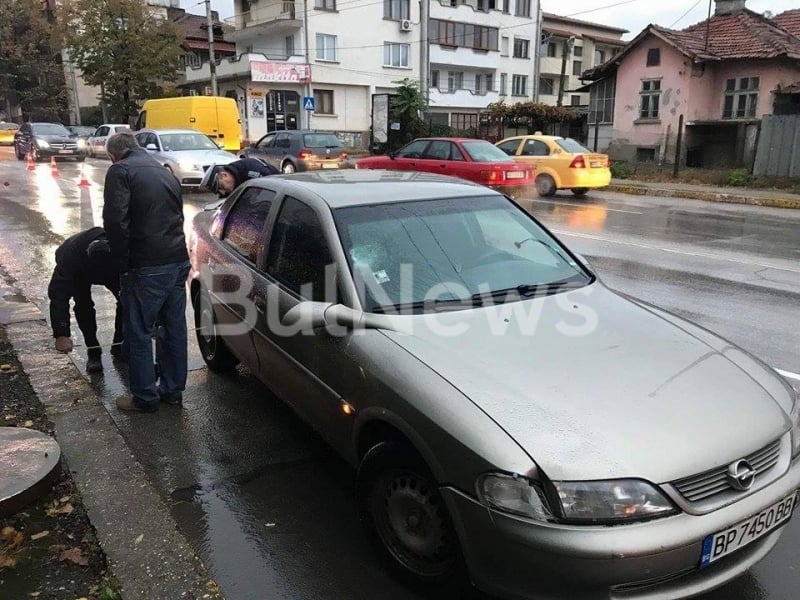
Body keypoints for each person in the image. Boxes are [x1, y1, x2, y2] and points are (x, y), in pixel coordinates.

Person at [103, 132, 190, 413]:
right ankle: (173, 391)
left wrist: (122, 262)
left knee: (139, 332)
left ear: (114, 155)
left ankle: (144, 398)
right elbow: (179, 214)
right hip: (177, 260)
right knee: (173, 328)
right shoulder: (163, 171)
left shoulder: (120, 171)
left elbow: (116, 221)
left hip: (147, 265)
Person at [48, 227, 123, 373]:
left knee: (126, 300)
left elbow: (139, 290)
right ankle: (93, 352)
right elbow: (59, 296)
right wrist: (61, 333)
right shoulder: (71, 259)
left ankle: (120, 345)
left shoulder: (122, 250)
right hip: (80, 269)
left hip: (114, 269)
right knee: (83, 305)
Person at [208, 157, 279, 198]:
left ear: (224, 175)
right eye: (220, 192)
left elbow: (273, 183)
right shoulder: (234, 178)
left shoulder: (251, 169)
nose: (223, 192)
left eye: (222, 186)